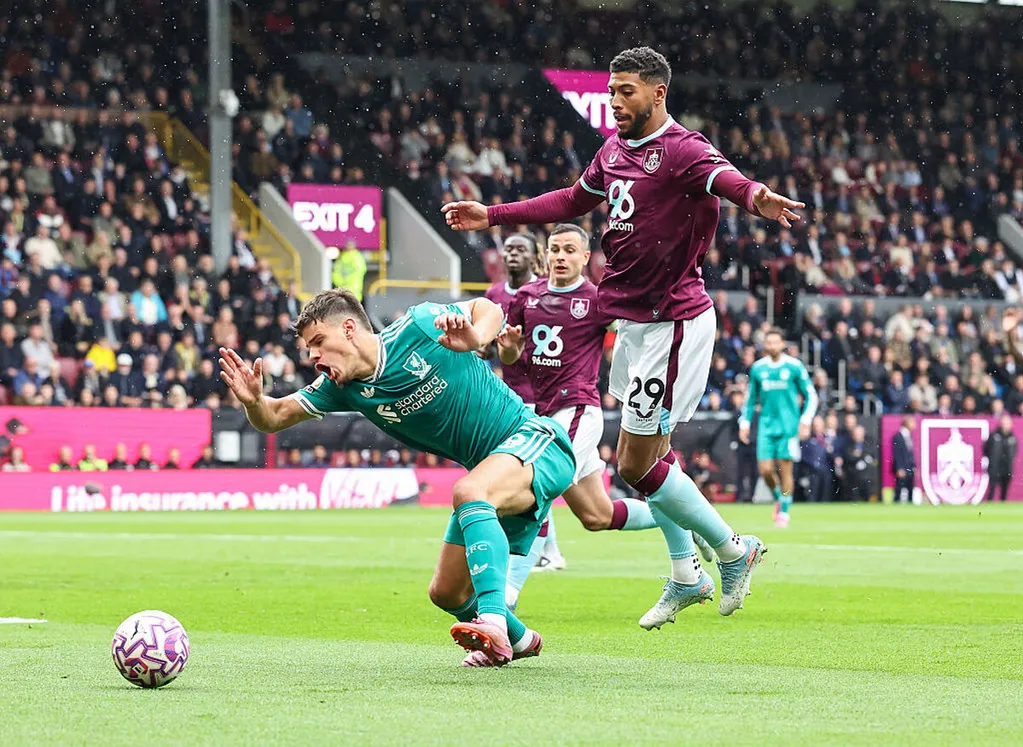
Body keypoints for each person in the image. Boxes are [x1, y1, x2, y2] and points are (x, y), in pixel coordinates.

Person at [443, 47, 799, 625]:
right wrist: (493, 214)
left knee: (635, 465)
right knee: (652, 457)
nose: (614, 102)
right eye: (611, 92)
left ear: (658, 93)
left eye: (626, 92)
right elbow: (569, 200)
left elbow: (726, 179)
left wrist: (756, 196)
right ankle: (687, 572)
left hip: (673, 321)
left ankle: (734, 551)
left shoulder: (682, 148)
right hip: (632, 324)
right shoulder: (611, 152)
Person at [218, 288, 576, 667]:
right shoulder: (343, 389)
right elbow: (274, 418)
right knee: (446, 593)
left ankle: (493, 620)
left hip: (537, 441)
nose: (313, 356)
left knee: (469, 490)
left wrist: (478, 337)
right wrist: (254, 401)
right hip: (494, 469)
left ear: (351, 328)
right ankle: (520, 640)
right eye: (309, 348)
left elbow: (485, 308)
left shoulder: (418, 325)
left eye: (319, 342)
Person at [496, 223, 660, 610]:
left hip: (578, 410)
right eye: (555, 250)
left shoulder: (599, 299)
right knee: (596, 515)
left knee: (534, 489)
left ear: (586, 257)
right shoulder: (526, 297)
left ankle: (506, 598)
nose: (560, 257)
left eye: (570, 250)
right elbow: (510, 358)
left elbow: (635, 333)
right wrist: (508, 349)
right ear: (546, 255)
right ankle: (681, 514)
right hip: (540, 413)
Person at [484, 233, 566, 571]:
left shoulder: (547, 291)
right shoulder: (493, 295)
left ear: (534, 257)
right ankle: (551, 553)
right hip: (511, 399)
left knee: (545, 484)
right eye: (509, 249)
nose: (513, 254)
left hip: (547, 398)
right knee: (534, 481)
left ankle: (674, 517)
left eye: (521, 249)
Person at [738, 329, 817, 528]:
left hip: (789, 427)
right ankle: (778, 498)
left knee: (785, 470)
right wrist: (745, 423)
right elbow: (749, 400)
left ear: (782, 344)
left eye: (776, 342)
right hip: (766, 426)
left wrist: (805, 420)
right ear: (765, 345)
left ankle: (785, 512)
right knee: (765, 470)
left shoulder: (794, 366)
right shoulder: (758, 369)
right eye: (769, 342)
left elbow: (811, 395)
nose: (772, 345)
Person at [984, 415, 1017, 502]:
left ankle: (1003, 507)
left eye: (1008, 423)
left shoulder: (1012, 438)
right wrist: (993, 460)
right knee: (992, 490)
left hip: (1007, 468)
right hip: (994, 467)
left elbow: (1014, 452)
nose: (1006, 425)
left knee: (1004, 492)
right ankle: (989, 508)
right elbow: (986, 449)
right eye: (1004, 422)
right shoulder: (994, 435)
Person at [891, 416, 916, 504]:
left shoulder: (909, 435)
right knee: (899, 489)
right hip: (902, 468)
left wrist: (913, 466)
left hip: (909, 467)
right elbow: (897, 454)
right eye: (912, 422)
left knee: (910, 489)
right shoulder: (898, 437)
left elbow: (910, 453)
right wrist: (899, 468)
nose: (914, 425)